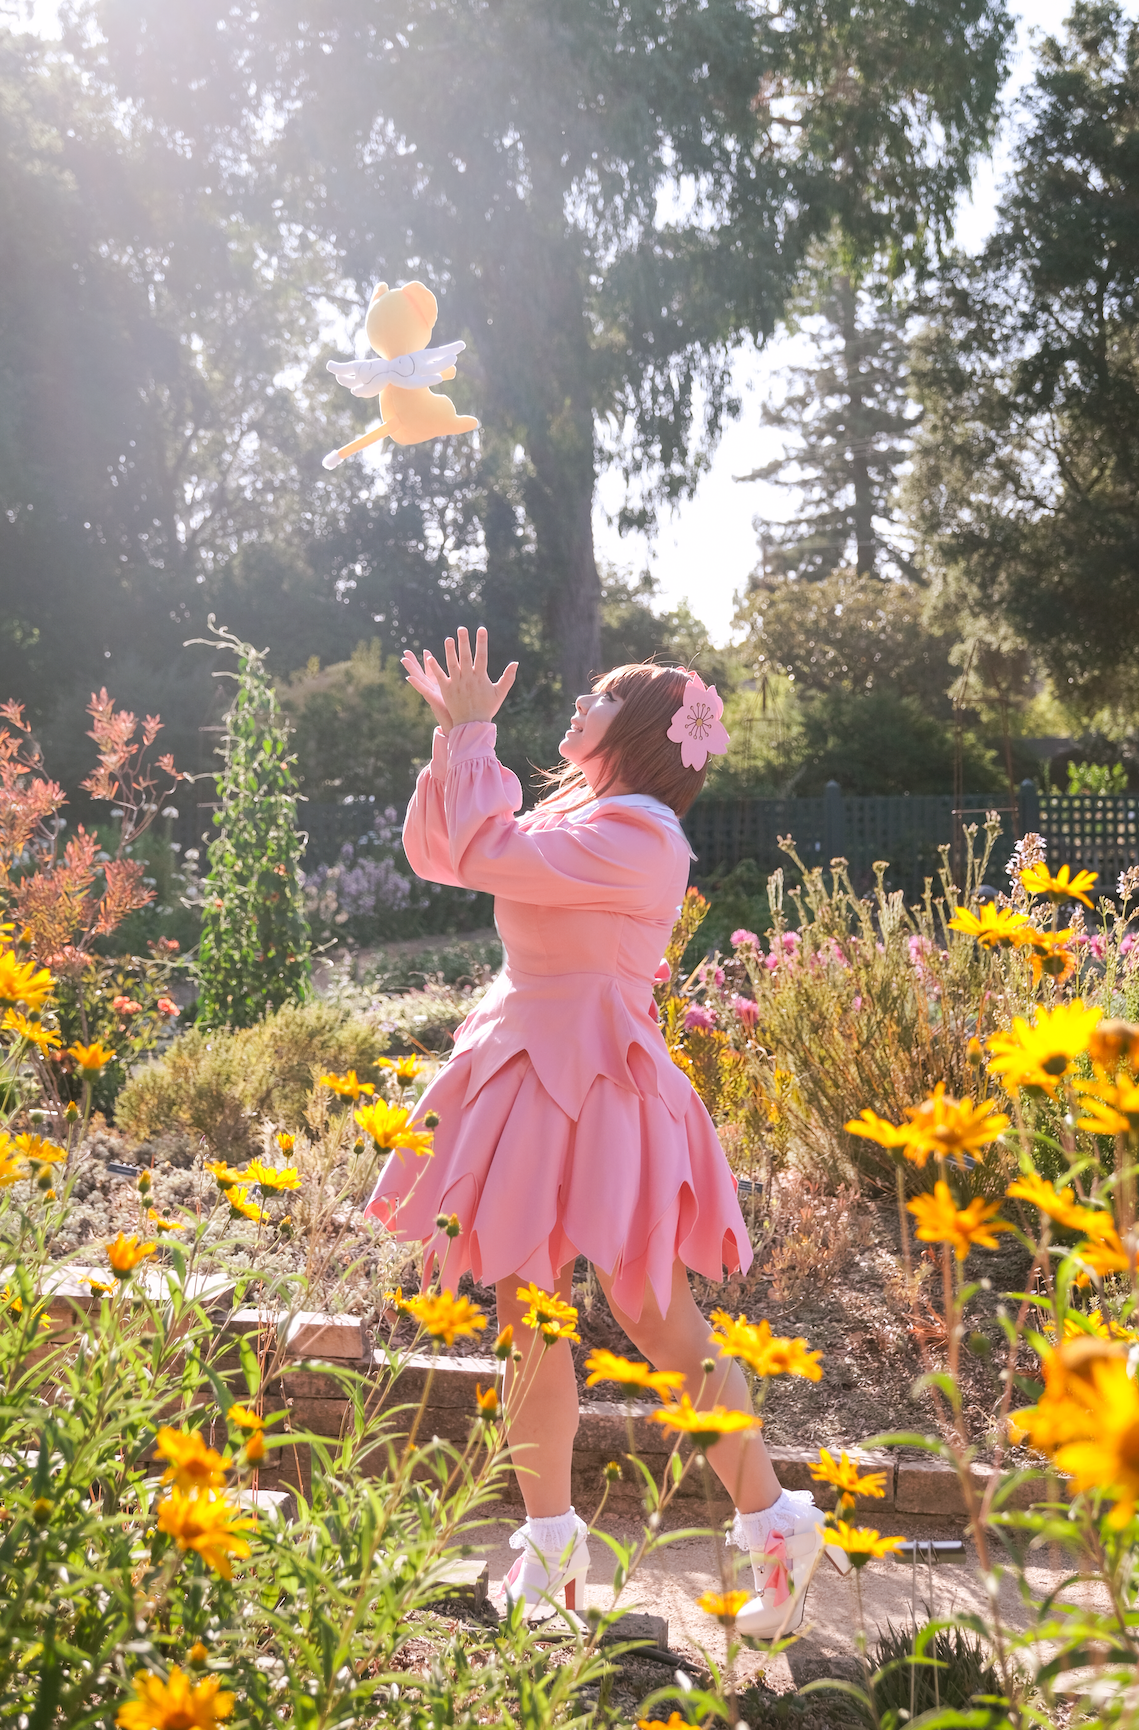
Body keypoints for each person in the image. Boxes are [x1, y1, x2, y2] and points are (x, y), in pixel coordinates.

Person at [366, 627, 834, 1636]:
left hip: (603, 1085)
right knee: (528, 1318)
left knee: (658, 1321)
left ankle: (775, 1524)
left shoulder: (638, 835)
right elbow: (445, 853)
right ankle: (551, 1556)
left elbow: (484, 852)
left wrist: (475, 730)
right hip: (533, 1070)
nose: (578, 703)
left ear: (638, 733)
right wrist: (456, 739)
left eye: (599, 695)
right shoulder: (580, 812)